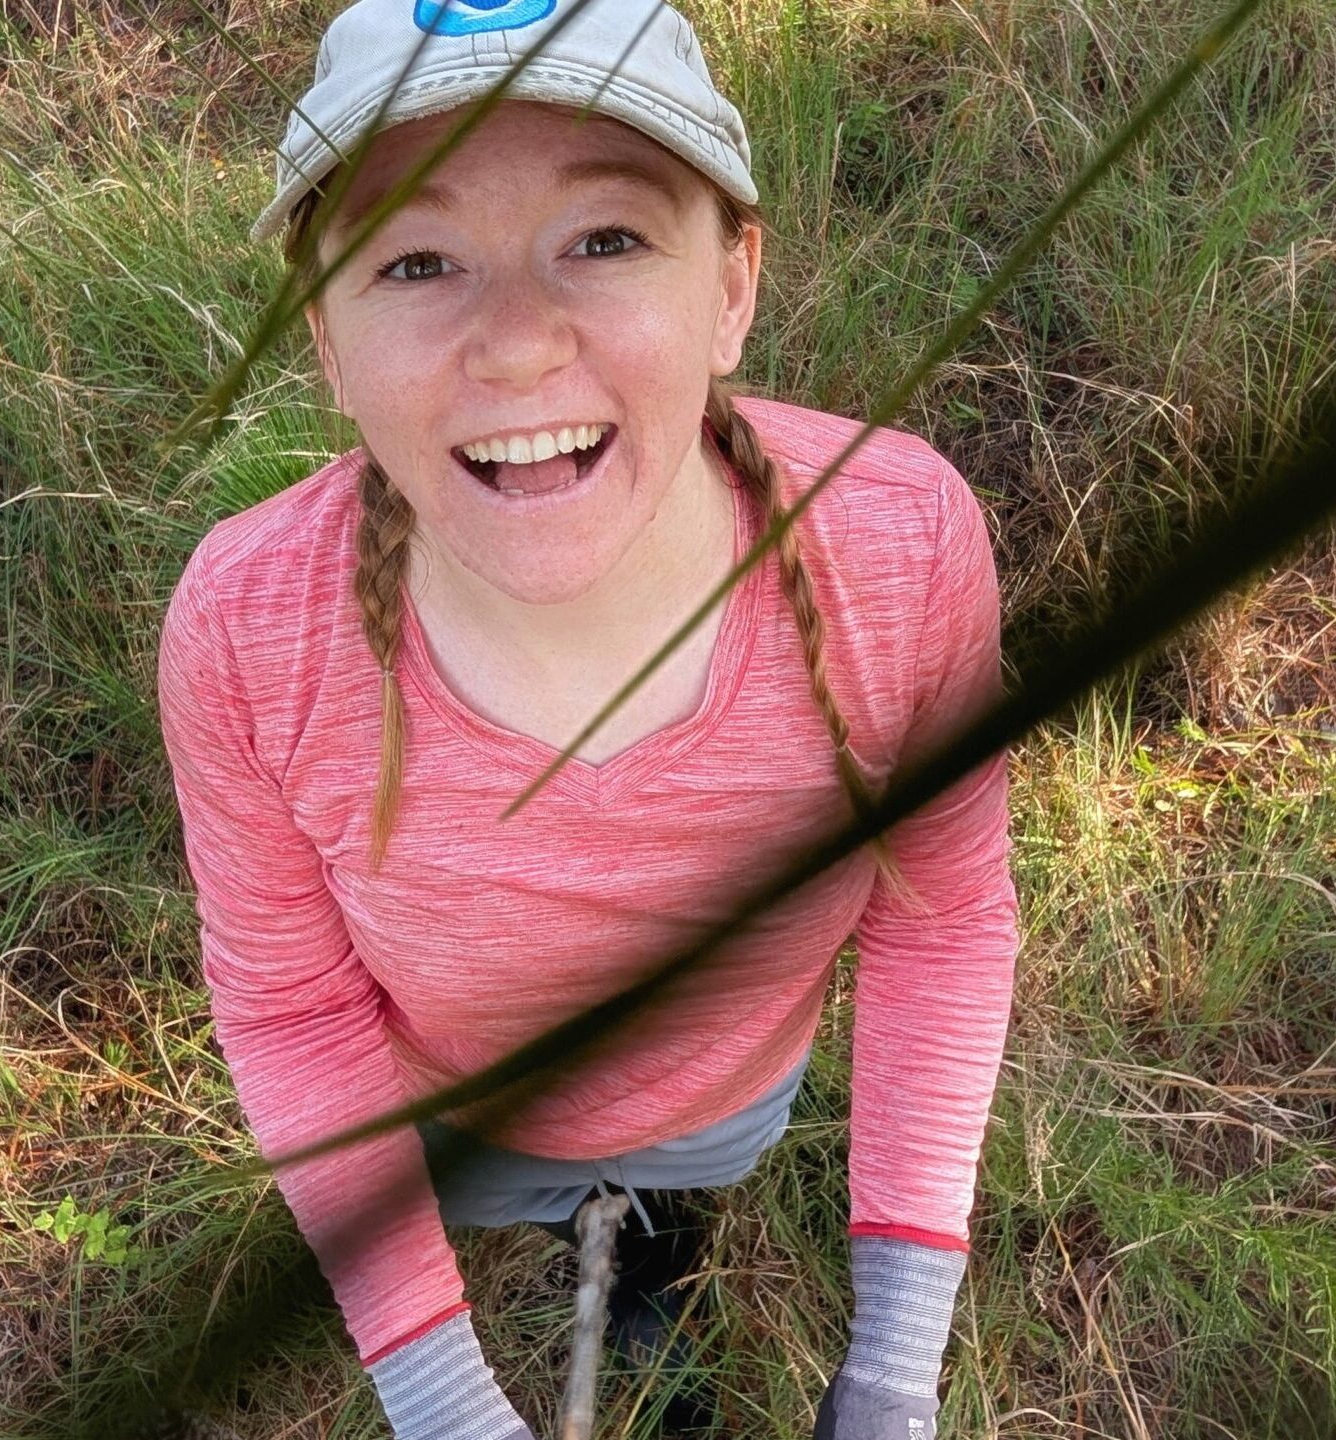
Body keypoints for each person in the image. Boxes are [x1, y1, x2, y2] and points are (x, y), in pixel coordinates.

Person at [153, 0, 1021, 1436]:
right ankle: (572, 1242)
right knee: (522, 1209)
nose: (513, 344)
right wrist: (445, 1408)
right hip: (457, 1131)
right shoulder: (247, 632)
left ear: (731, 286)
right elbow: (295, 1013)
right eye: (417, 260)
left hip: (731, 1105)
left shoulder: (902, 546)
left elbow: (940, 915)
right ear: (327, 337)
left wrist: (892, 1375)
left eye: (605, 238)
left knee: (670, 1220)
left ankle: (652, 1264)